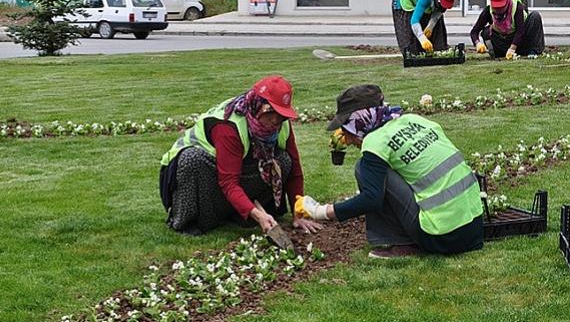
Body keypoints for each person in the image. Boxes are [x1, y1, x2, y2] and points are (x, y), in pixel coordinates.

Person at [296, 84, 483, 259]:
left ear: (360, 120)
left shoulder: (375, 142)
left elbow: (371, 198)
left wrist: (321, 211)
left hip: (441, 238)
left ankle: (402, 244)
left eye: (347, 127)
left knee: (364, 169)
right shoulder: (415, 120)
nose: (348, 138)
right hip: (474, 228)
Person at [159, 76, 323, 235]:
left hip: (238, 169)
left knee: (283, 161)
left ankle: (239, 214)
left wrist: (298, 211)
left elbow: (294, 168)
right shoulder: (228, 127)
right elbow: (228, 182)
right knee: (191, 160)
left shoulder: (282, 124)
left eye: (281, 115)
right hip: (204, 172)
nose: (276, 121)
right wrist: (258, 215)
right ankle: (190, 221)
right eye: (271, 112)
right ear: (258, 105)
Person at [392, 0, 459, 55]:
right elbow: (414, 20)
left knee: (434, 20)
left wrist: (430, 26)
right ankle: (413, 52)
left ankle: (438, 49)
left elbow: (439, 10)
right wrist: (421, 37)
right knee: (409, 18)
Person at [470, 0, 545, 59]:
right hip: (503, 42)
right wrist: (477, 43)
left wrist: (512, 48)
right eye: (495, 7)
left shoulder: (517, 7)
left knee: (535, 16)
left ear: (507, 2)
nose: (498, 10)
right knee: (486, 31)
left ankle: (533, 51)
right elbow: (474, 32)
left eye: (501, 7)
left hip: (521, 40)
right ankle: (496, 53)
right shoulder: (488, 10)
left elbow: (520, 31)